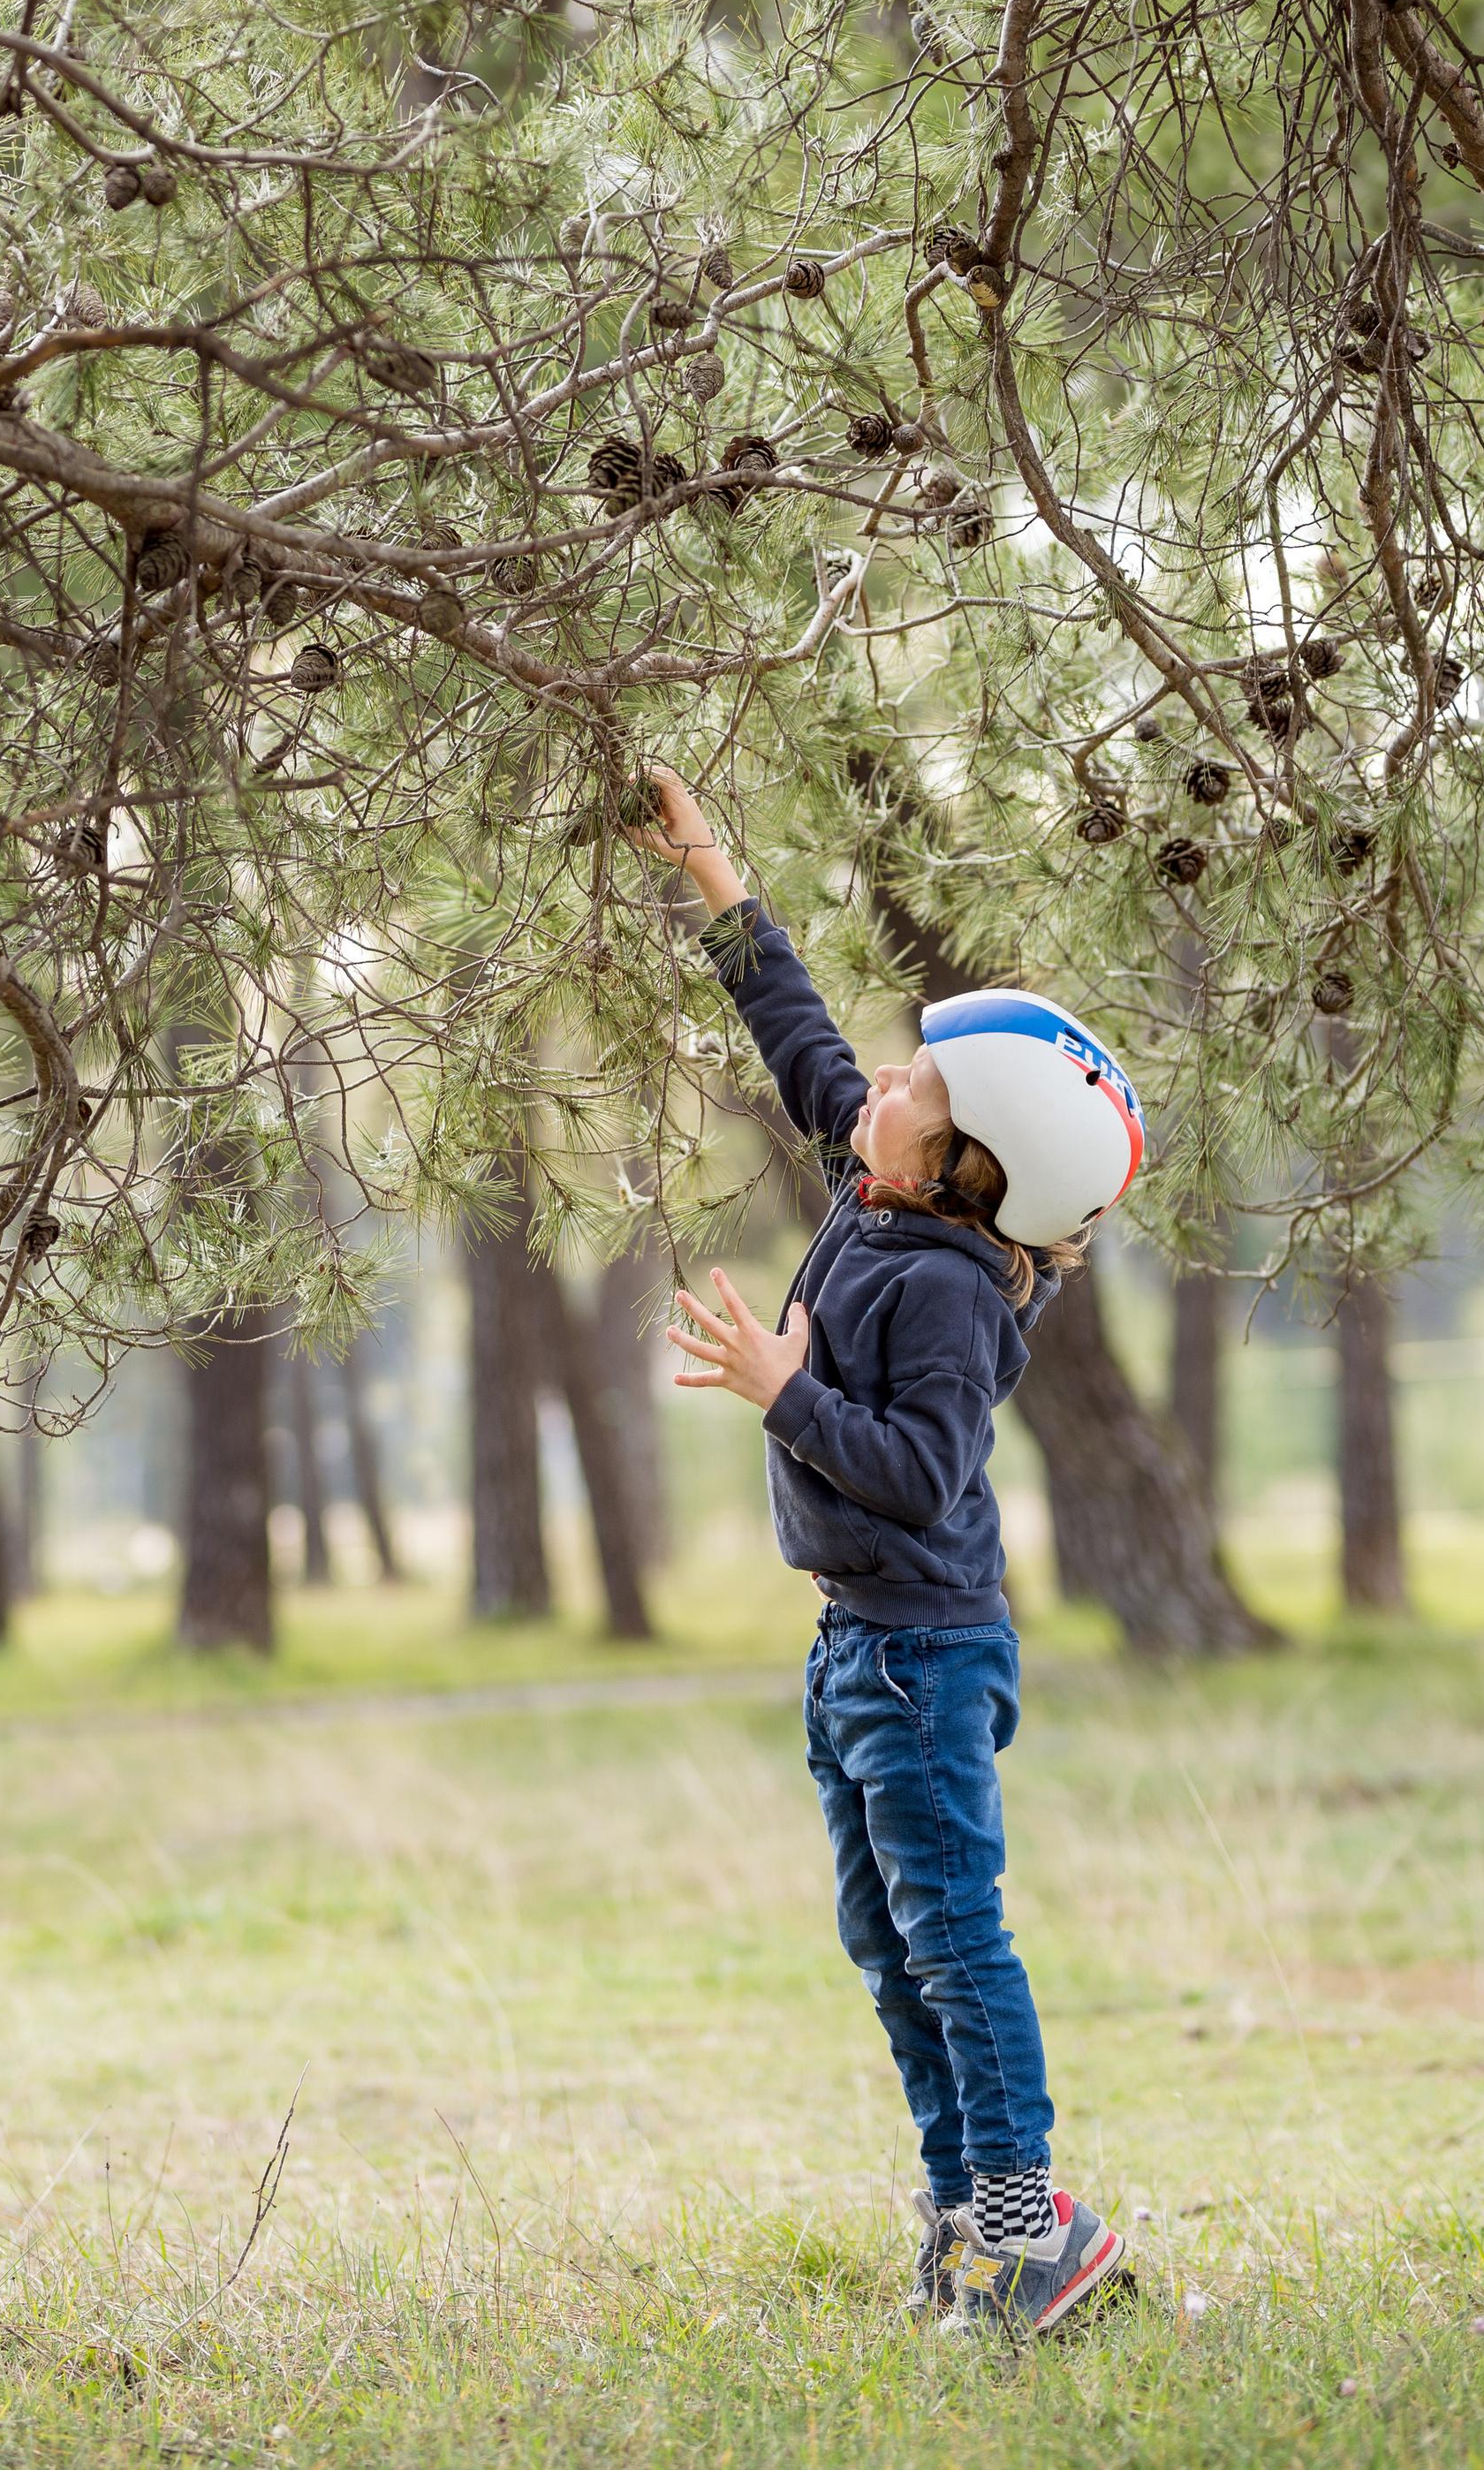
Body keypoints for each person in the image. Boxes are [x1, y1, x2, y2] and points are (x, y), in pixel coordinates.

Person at [631, 766, 1145, 2340]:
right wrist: (715, 874)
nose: (883, 1082)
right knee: (885, 1937)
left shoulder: (941, 1292)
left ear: (962, 1170)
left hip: (922, 1654)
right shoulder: (882, 1183)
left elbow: (923, 1474)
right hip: (858, 1645)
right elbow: (794, 1035)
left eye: (918, 1086)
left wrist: (787, 1394)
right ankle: (965, 2224)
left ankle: (1026, 2229)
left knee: (953, 1935)